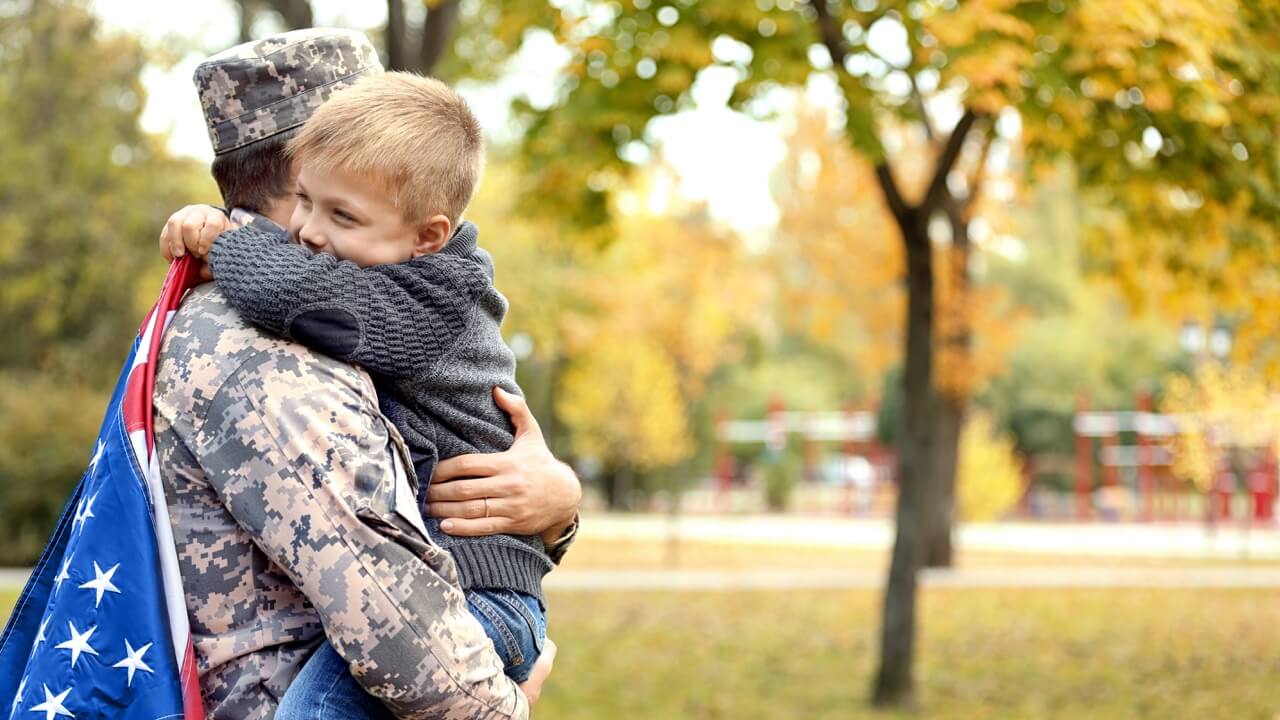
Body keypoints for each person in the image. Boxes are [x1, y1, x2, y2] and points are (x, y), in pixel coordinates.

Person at [153, 29, 580, 719]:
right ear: (299, 175)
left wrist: (559, 506)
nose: (314, 233)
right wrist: (511, 708)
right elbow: (407, 645)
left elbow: (310, 296)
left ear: (423, 231)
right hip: (433, 644)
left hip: (484, 595)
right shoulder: (264, 351)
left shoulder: (398, 293)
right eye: (309, 206)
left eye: (343, 213)